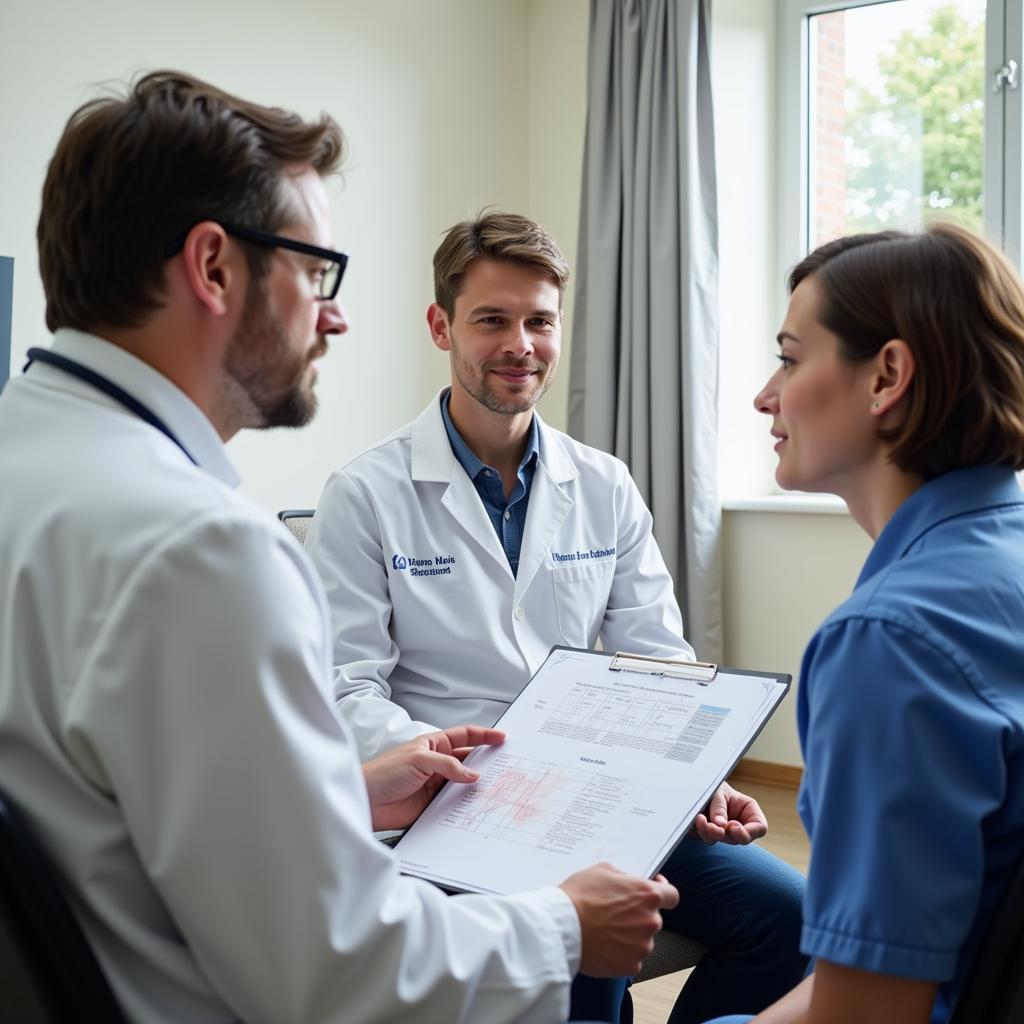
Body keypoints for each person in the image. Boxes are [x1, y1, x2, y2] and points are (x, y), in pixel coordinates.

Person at [0, 71, 681, 1024]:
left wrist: (350, 791)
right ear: (214, 267)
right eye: (317, 272)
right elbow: (336, 970)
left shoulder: (28, 464)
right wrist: (563, 930)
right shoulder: (199, 551)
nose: (335, 314)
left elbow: (135, 808)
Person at [305, 211, 809, 1023]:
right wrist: (437, 761)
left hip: (604, 798)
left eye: (539, 321)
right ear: (441, 326)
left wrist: (697, 778)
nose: (521, 344)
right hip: (452, 806)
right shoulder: (364, 493)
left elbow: (658, 659)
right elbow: (345, 683)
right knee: (583, 946)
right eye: (492, 320)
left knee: (796, 920)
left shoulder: (603, 483)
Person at [704, 223, 1024, 1024]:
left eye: (788, 356)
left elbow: (867, 1012)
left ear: (887, 376)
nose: (764, 395)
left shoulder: (891, 642)